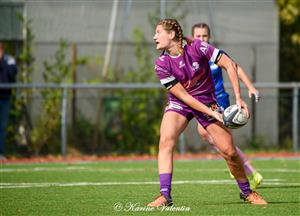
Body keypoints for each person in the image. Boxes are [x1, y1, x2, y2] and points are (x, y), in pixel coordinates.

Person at [147, 19, 267, 207]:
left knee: (229, 151)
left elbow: (229, 64)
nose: (154, 37)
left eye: (158, 32)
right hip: (181, 102)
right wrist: (214, 114)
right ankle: (164, 195)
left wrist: (238, 98)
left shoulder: (197, 47)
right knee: (166, 139)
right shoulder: (161, 64)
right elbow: (185, 97)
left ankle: (247, 192)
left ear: (171, 35)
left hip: (208, 101)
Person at [191, 23, 263, 190]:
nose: (201, 39)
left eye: (204, 36)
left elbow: (235, 68)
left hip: (218, 101)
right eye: (198, 36)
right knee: (214, 138)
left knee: (205, 132)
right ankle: (240, 164)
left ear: (209, 37)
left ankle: (247, 169)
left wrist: (250, 87)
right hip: (201, 103)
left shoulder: (214, 54)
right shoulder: (191, 56)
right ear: (192, 37)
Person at [0, 42, 18, 159]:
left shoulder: (9, 60)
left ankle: (0, 152)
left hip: (4, 98)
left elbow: (12, 73)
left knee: (2, 126)